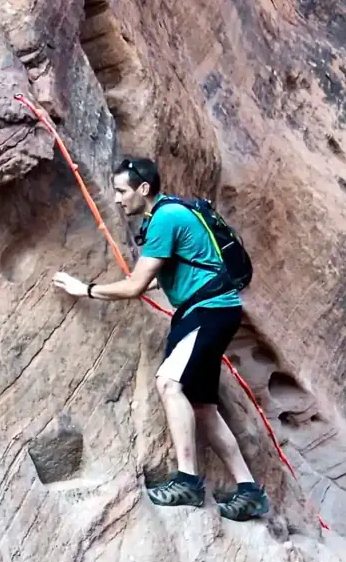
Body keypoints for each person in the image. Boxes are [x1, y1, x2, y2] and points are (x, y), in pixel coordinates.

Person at [53, 156, 270, 519]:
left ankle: (188, 482)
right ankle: (248, 491)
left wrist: (85, 289)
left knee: (169, 384)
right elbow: (162, 275)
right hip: (210, 309)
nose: (119, 199)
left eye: (122, 191)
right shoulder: (167, 215)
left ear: (143, 189)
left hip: (208, 311)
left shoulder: (166, 218)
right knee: (203, 407)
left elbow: (137, 285)